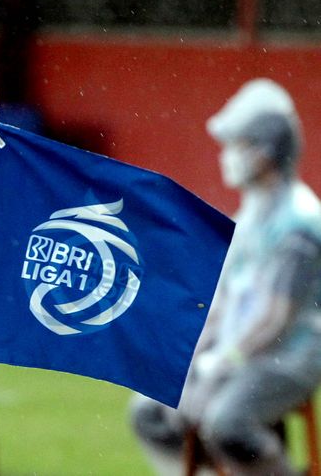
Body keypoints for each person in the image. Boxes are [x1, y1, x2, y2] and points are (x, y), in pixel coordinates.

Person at [130, 78, 321, 475]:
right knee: (150, 411)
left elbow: (275, 318)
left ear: (266, 150)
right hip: (240, 352)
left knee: (226, 423)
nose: (227, 156)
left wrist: (225, 363)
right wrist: (192, 359)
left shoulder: (299, 223)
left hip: (289, 357)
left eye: (239, 144)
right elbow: (220, 306)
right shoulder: (248, 219)